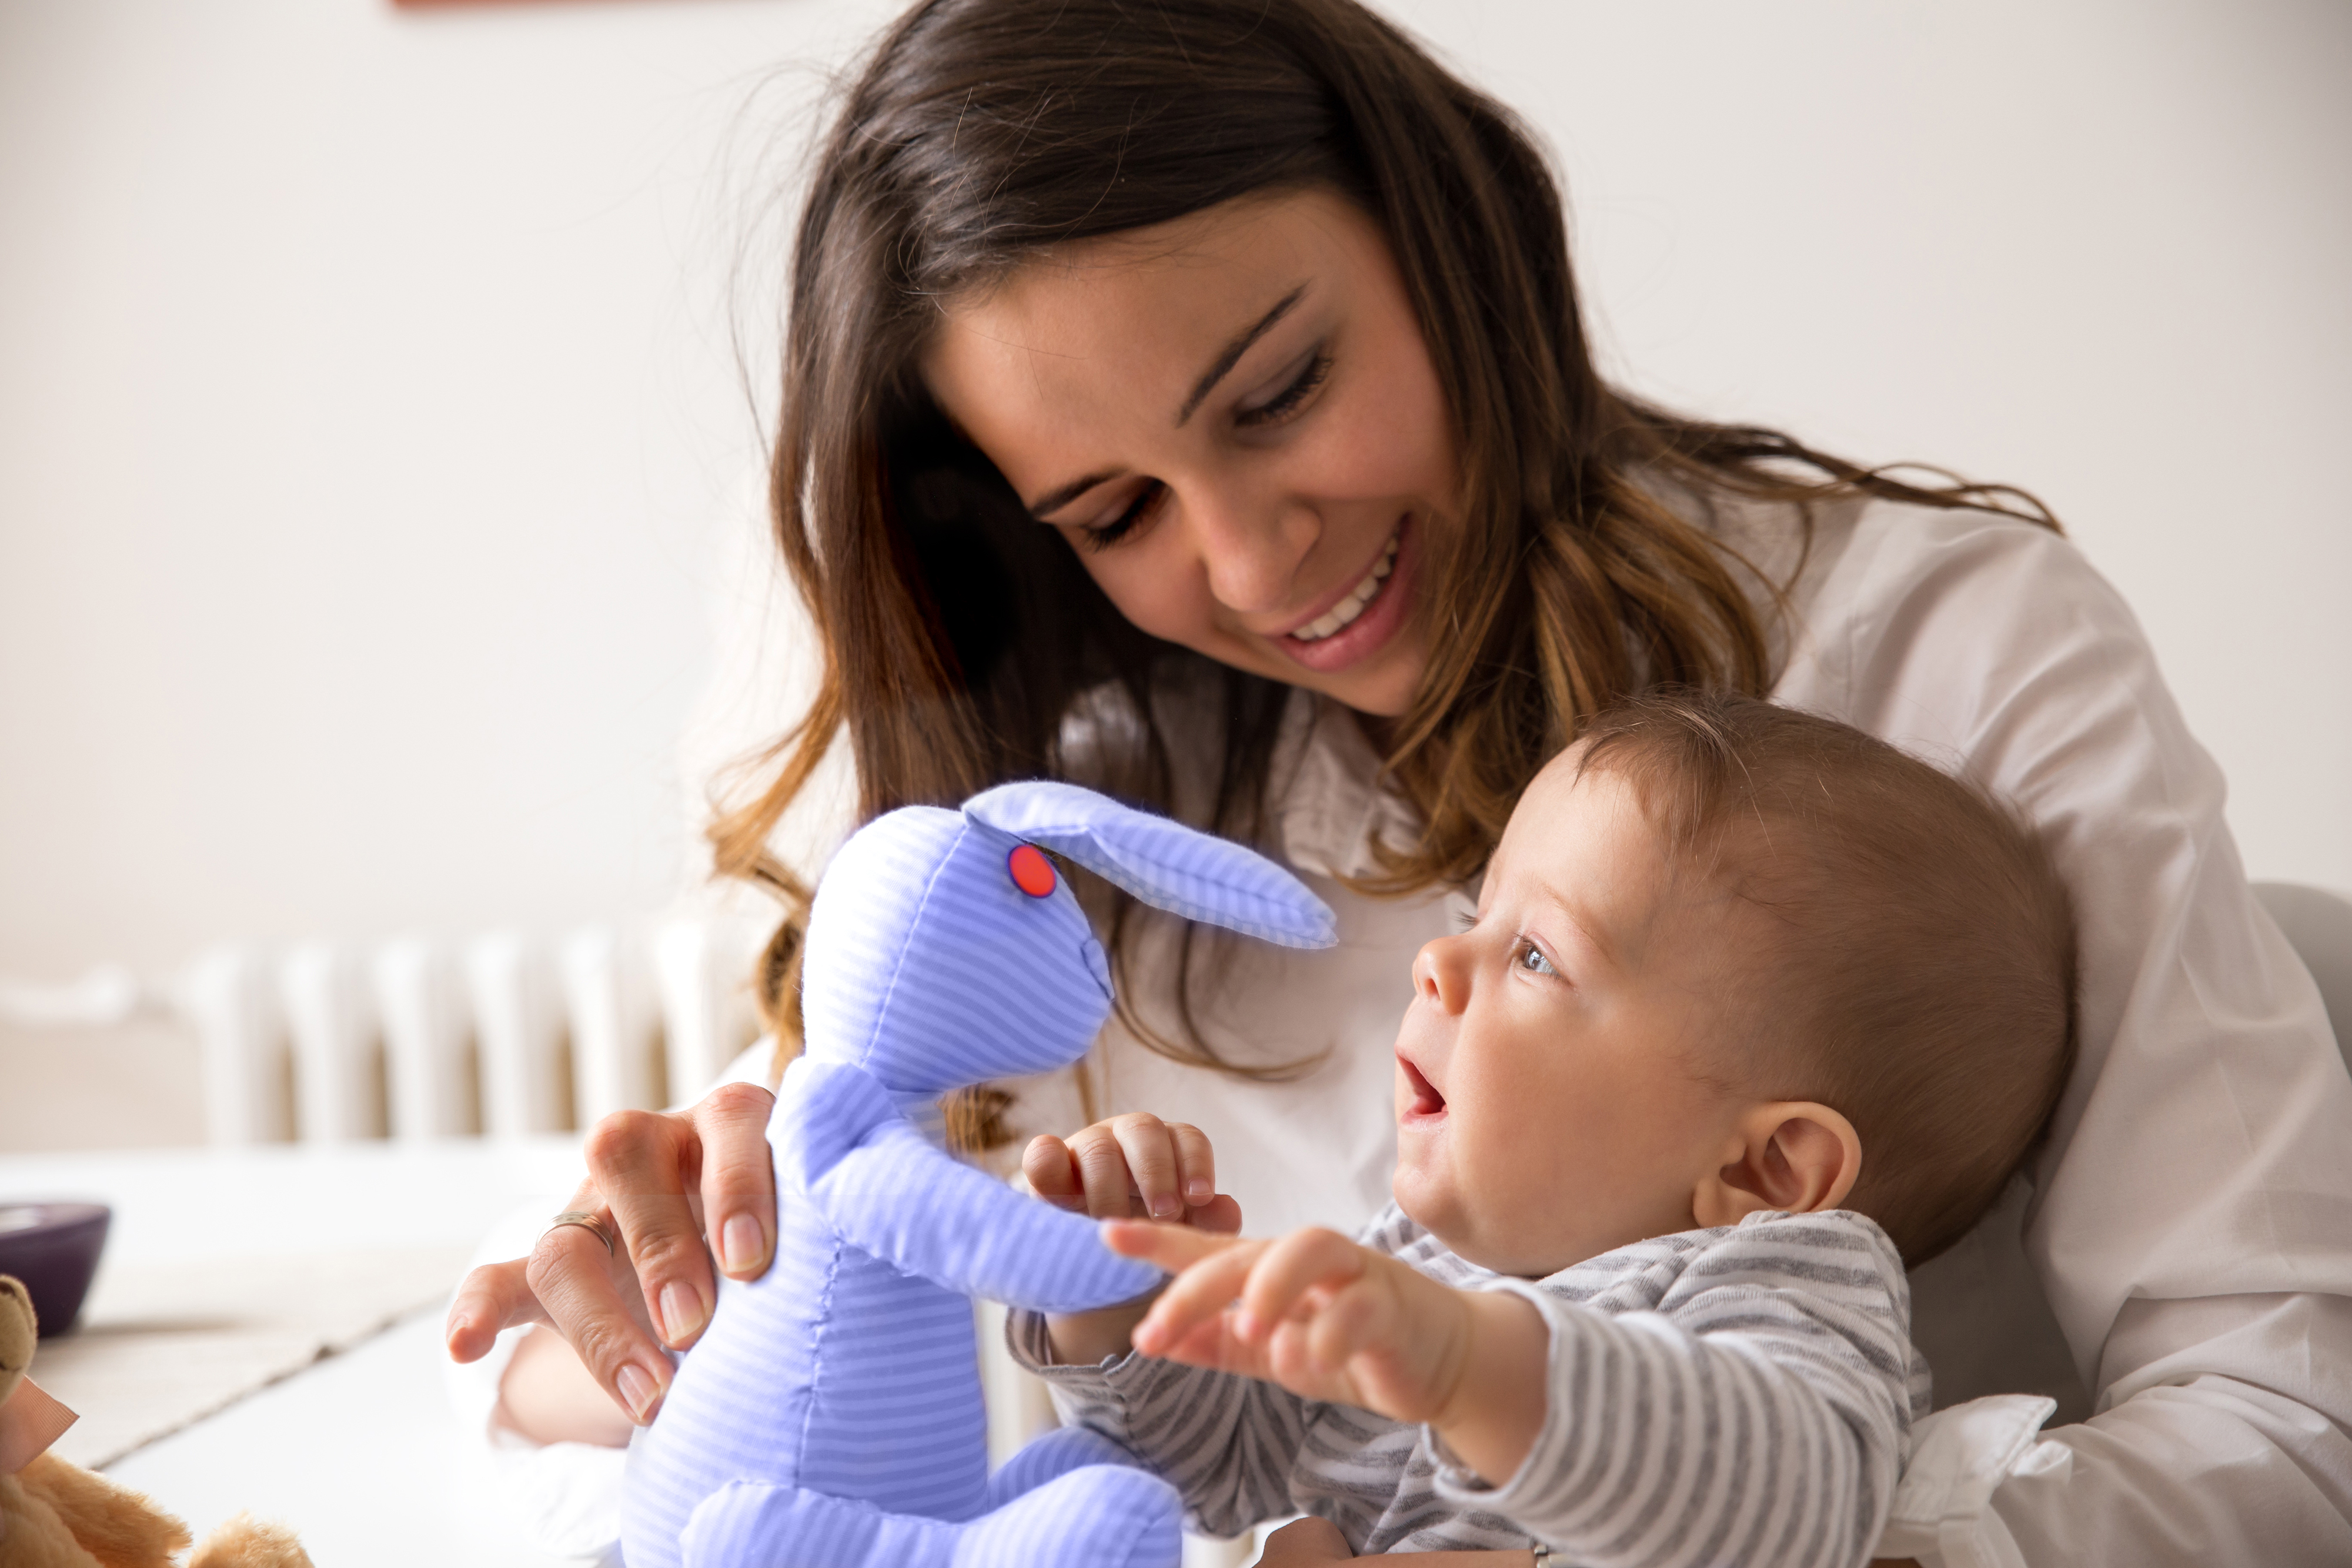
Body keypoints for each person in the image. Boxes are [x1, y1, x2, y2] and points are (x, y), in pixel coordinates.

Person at [442, 0, 2352, 1562]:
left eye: (1275, 392)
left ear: (1442, 226)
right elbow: (1146, 1436)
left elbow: (2286, 1434)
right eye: (1113, 510)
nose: (1260, 568)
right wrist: (686, 1306)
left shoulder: (1954, 654)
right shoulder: (1076, 829)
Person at [1008, 690, 2073, 1567]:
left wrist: (1478, 1368)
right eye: (1479, 918)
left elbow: (1799, 1505)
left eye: (1536, 958)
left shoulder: (1778, 1278)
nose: (1436, 962)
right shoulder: (1423, 1261)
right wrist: (1114, 1310)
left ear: (1764, 1167)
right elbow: (1221, 1475)